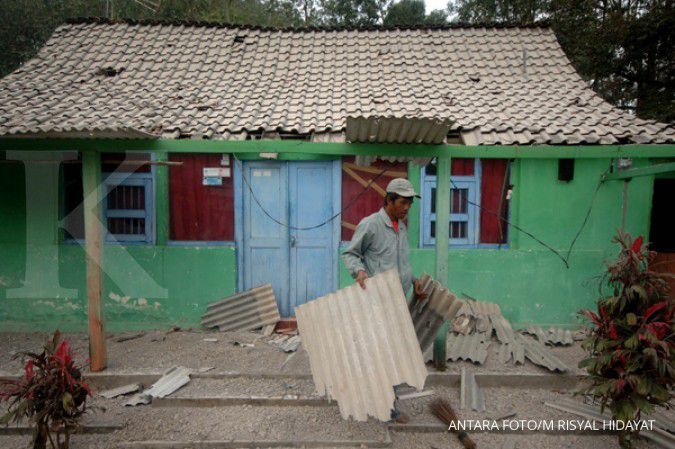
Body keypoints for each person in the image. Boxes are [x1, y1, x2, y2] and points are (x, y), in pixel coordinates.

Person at [342, 177, 428, 424]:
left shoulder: (401, 227)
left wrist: (412, 280)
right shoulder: (370, 225)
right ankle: (386, 407)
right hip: (376, 303)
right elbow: (351, 254)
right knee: (381, 354)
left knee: (391, 353)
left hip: (397, 303)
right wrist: (358, 271)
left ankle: (385, 400)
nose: (407, 208)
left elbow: (401, 262)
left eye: (410, 204)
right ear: (389, 200)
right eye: (403, 203)